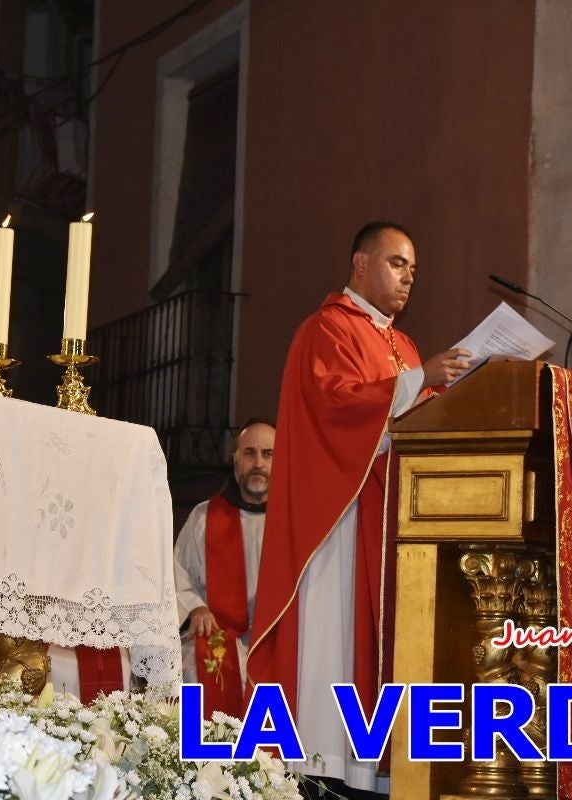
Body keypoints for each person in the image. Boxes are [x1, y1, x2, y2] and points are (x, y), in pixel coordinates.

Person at [247, 222, 470, 794]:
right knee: (336, 639)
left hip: (391, 516)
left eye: (414, 270)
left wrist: (446, 395)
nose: (408, 279)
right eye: (398, 264)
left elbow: (413, 420)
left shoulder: (404, 344)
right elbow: (335, 405)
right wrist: (420, 381)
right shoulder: (327, 329)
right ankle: (322, 766)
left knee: (380, 643)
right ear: (360, 263)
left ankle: (372, 768)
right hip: (337, 521)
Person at [174, 419, 275, 718]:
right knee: (190, 675)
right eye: (249, 453)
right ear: (234, 460)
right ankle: (205, 764)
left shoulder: (295, 522)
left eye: (268, 454)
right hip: (219, 633)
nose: (258, 463)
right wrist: (196, 609)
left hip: (275, 639)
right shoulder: (205, 517)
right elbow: (178, 575)